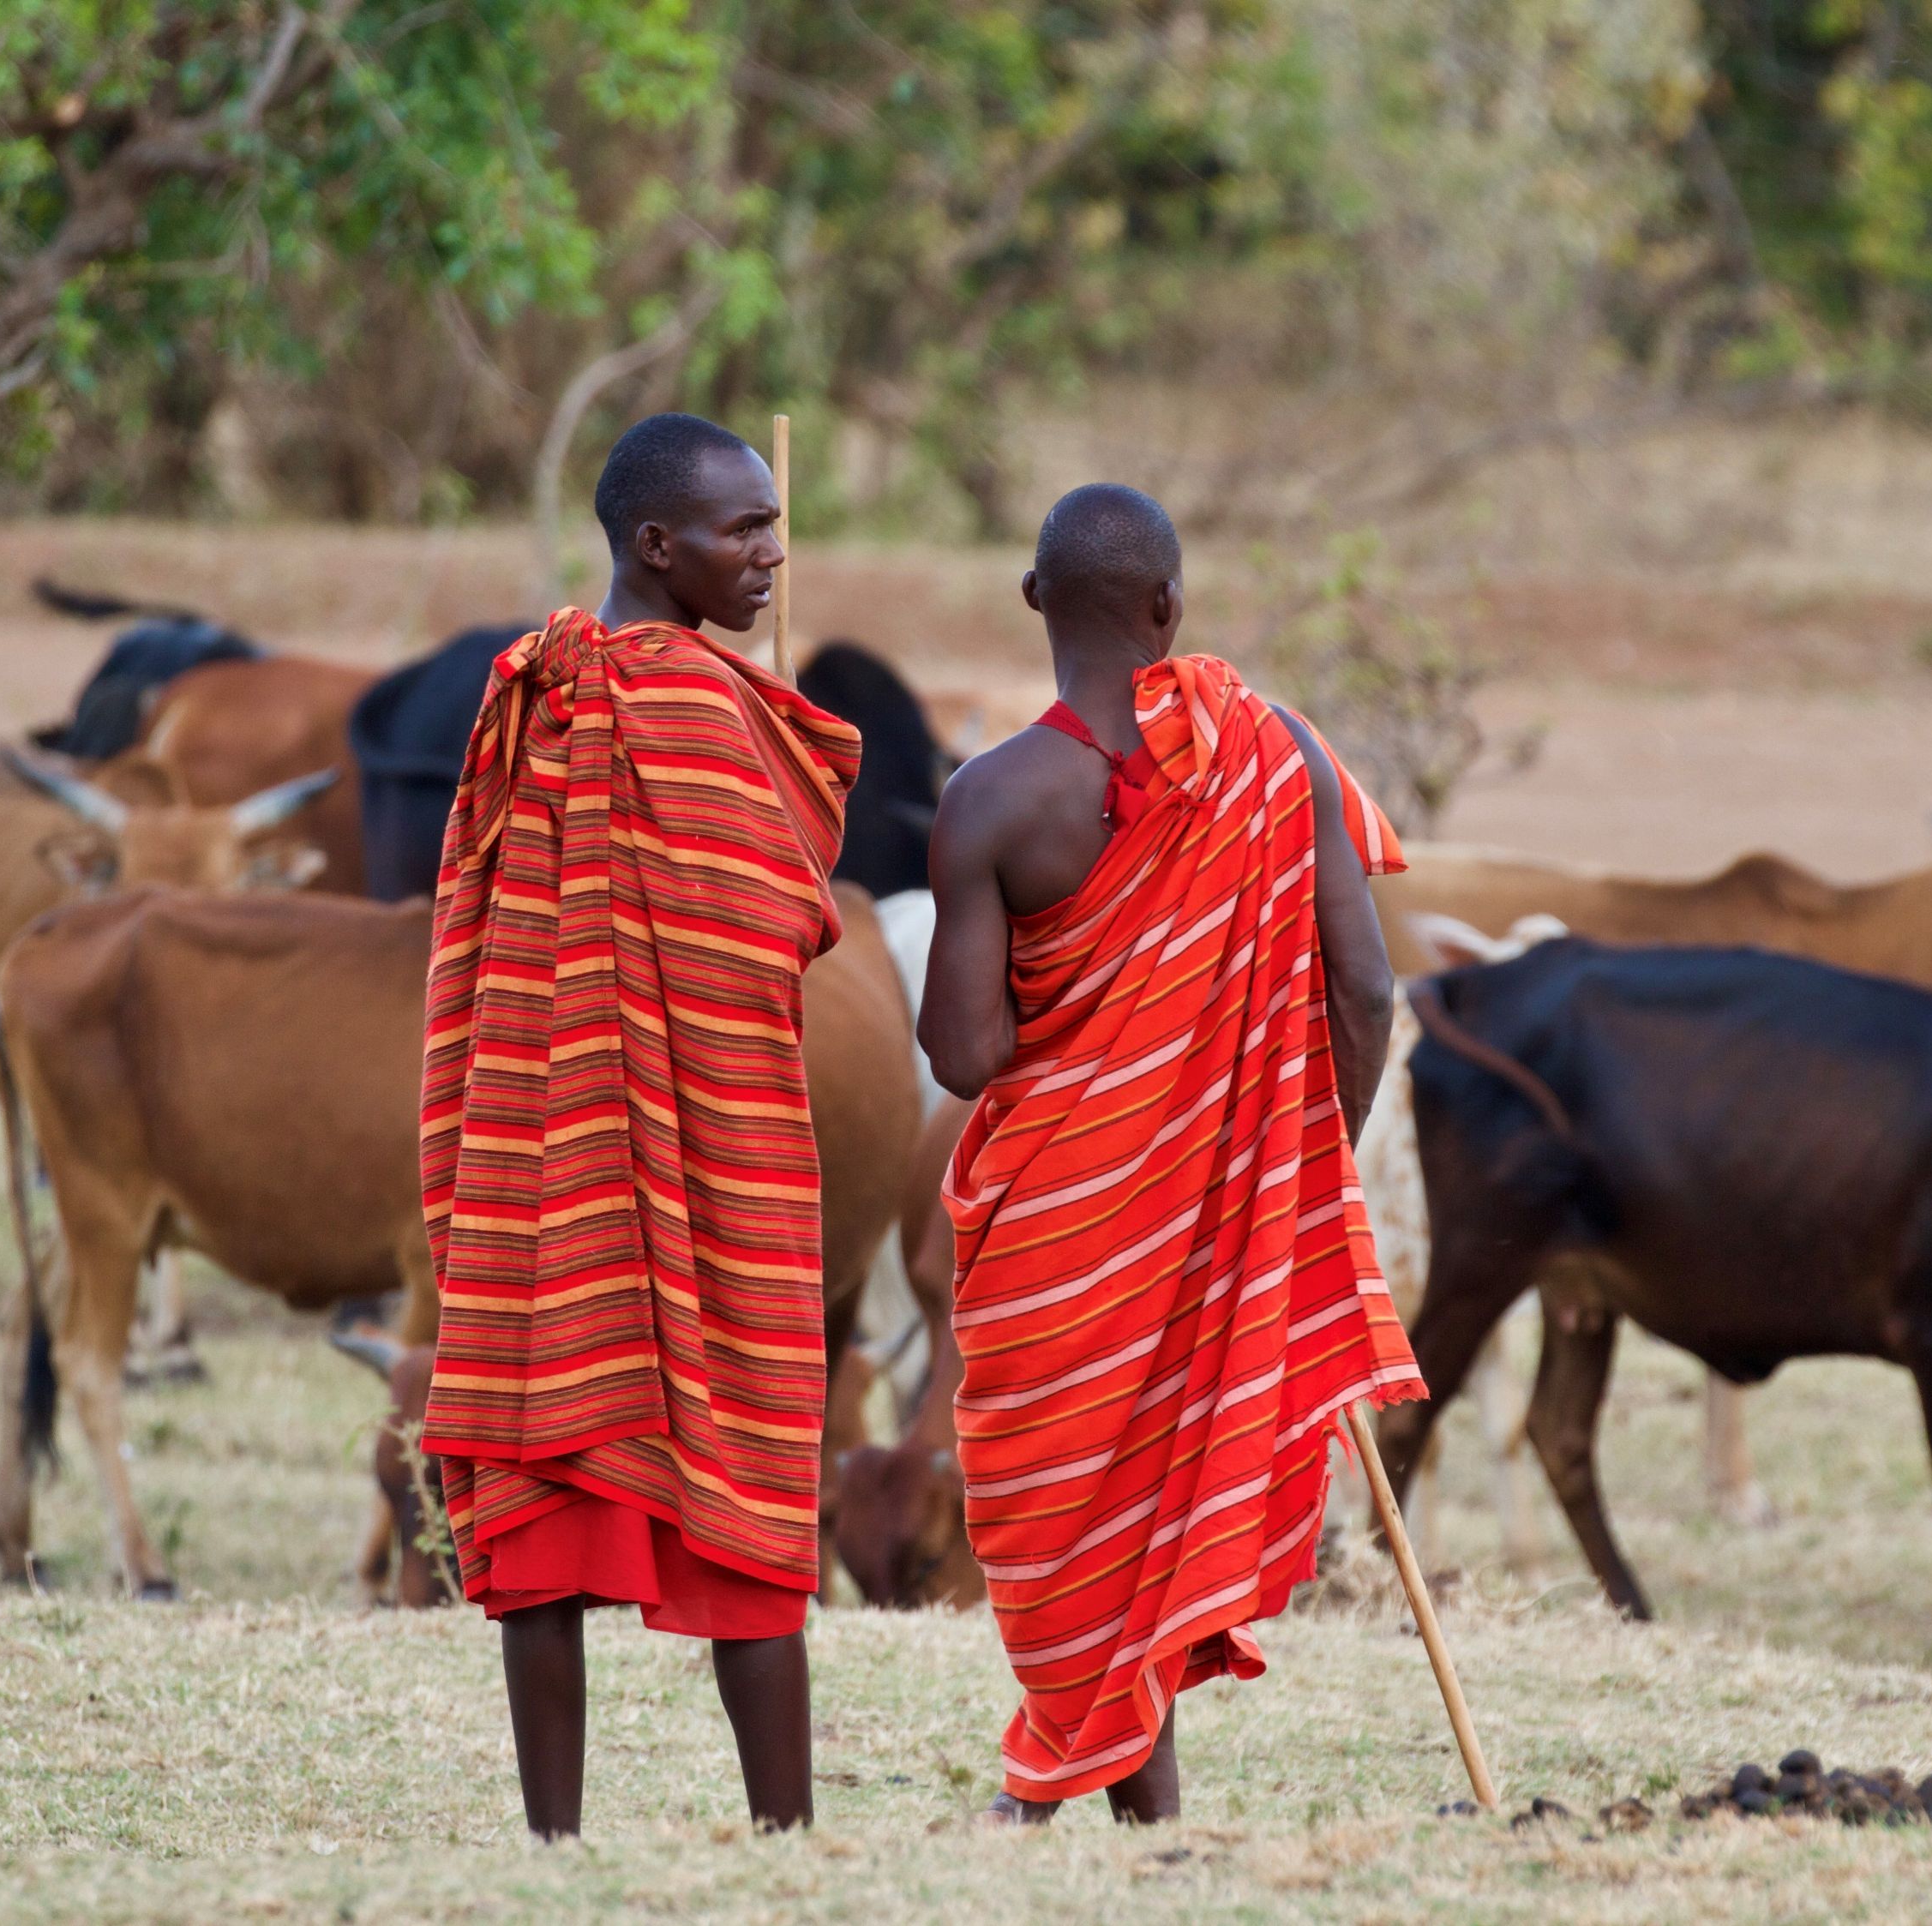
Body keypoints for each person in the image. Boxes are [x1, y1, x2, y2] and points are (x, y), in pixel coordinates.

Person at [919, 483, 1425, 1823]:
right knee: (1159, 1490)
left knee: (1058, 1505)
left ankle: (1055, 1794)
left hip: (1055, 1224)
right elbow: (1365, 991)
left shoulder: (987, 799)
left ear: (1034, 600)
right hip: (1223, 1211)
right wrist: (1299, 1165)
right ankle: (1130, 1814)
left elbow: (964, 1057)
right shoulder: (1279, 756)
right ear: (1168, 607)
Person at [415, 413, 858, 1839]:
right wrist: (777, 763)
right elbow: (774, 929)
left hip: (541, 1155)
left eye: (775, 526)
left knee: (545, 1466)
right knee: (744, 1488)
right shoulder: (693, 708)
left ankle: (555, 1847)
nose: (772, 555)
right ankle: (783, 1842)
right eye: (745, 531)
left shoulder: (532, 694)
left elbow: (471, 922)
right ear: (657, 546)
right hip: (710, 1156)